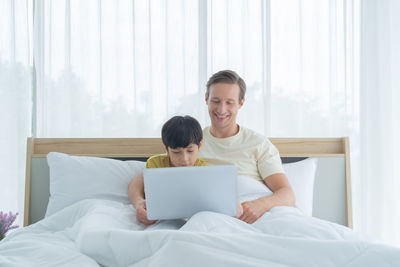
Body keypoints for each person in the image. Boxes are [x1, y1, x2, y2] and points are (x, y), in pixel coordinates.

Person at [198, 70, 296, 224]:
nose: (221, 109)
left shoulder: (259, 144)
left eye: (229, 102)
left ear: (241, 103)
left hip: (256, 218)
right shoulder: (190, 145)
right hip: (209, 220)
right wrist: (143, 200)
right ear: (206, 99)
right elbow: (157, 174)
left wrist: (260, 205)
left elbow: (287, 194)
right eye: (216, 101)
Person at [128, 115, 243, 225]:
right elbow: (136, 184)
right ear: (166, 149)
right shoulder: (155, 163)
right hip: (161, 220)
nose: (184, 159)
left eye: (190, 151)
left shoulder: (202, 168)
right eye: (176, 152)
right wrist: (139, 203)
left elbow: (215, 195)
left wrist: (233, 204)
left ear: (200, 146)